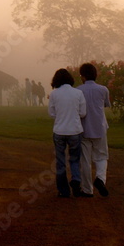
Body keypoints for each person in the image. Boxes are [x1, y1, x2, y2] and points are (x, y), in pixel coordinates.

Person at [47, 68, 86, 198]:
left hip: (59, 130)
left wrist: (60, 116)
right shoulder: (78, 93)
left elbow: (51, 113)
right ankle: (76, 180)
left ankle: (63, 190)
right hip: (75, 130)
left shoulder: (54, 94)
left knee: (60, 161)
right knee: (75, 159)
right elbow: (83, 113)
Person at [78, 62, 111, 197]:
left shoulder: (78, 91)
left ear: (83, 76)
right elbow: (106, 104)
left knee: (85, 161)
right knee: (101, 156)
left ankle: (87, 190)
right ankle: (100, 179)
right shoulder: (103, 89)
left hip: (84, 128)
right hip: (100, 127)